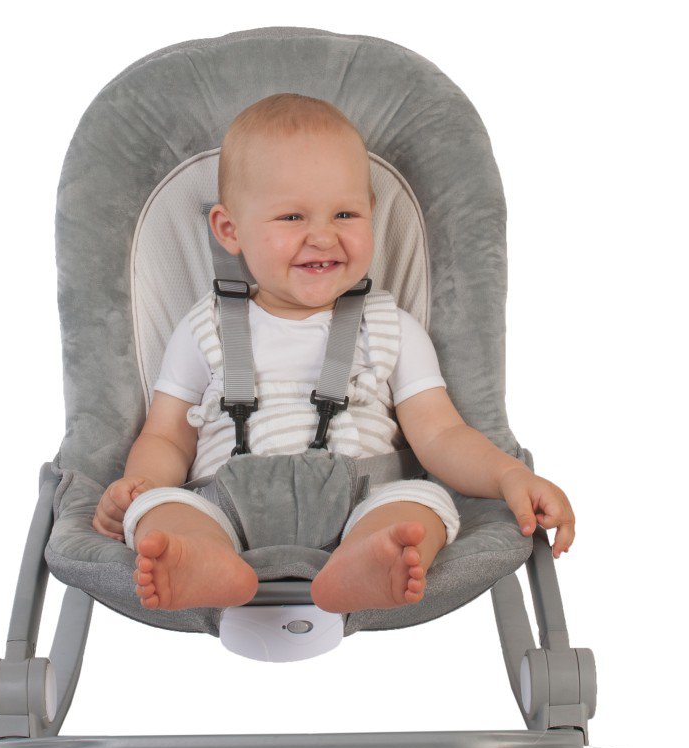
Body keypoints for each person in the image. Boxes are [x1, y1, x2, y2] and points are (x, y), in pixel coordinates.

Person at [92, 93, 575, 614]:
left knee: (424, 504)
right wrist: (140, 487)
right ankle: (202, 559)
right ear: (230, 230)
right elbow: (166, 435)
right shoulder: (204, 326)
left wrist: (508, 475)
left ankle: (372, 560)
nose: (322, 236)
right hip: (225, 506)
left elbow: (441, 435)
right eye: (291, 217)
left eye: (345, 213)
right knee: (162, 511)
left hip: (362, 504)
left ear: (371, 214)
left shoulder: (390, 327)